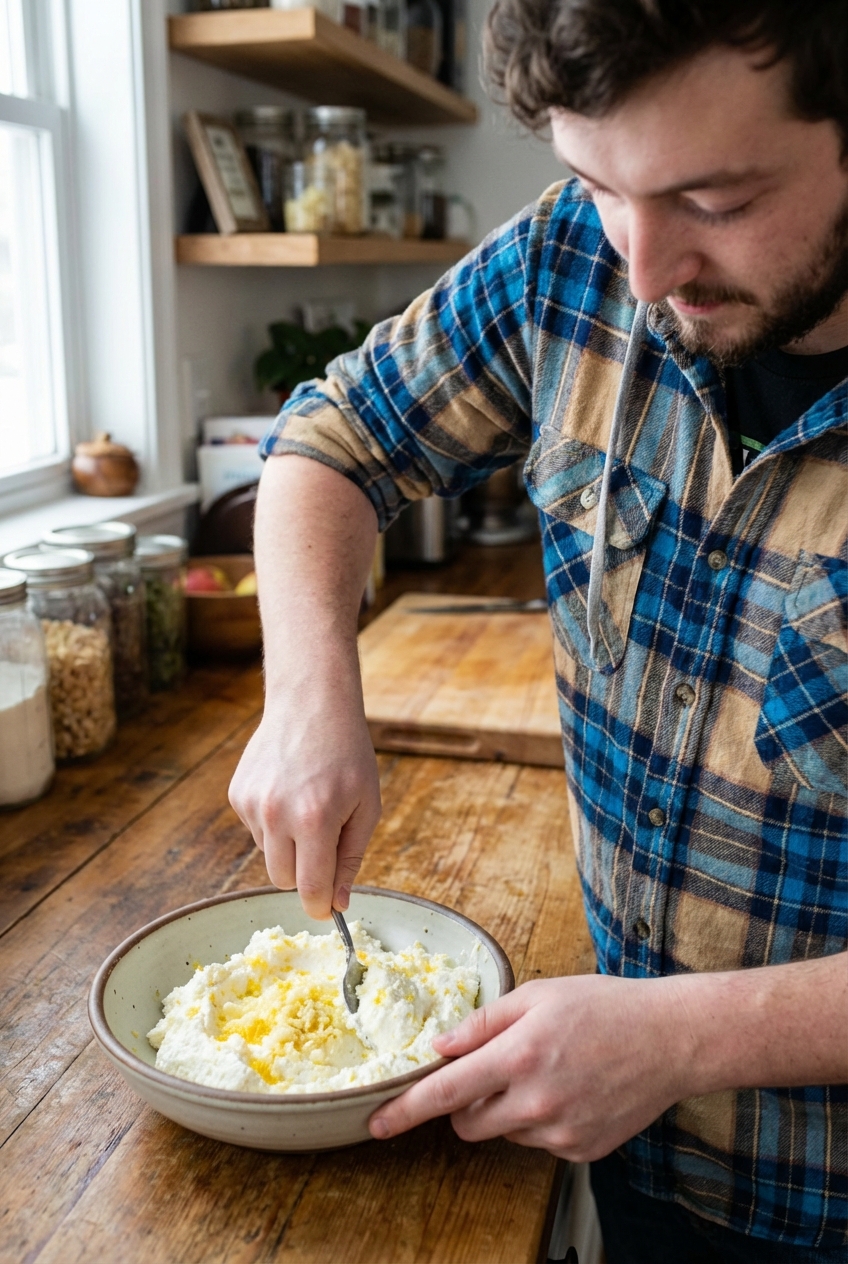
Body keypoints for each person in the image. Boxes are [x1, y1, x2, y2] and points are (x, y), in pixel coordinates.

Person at [228, 1, 848, 1259]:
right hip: (610, 1139)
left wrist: (680, 1036)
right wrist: (306, 691)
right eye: (592, 183)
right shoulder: (571, 257)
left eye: (714, 202)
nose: (640, 269)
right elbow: (334, 438)